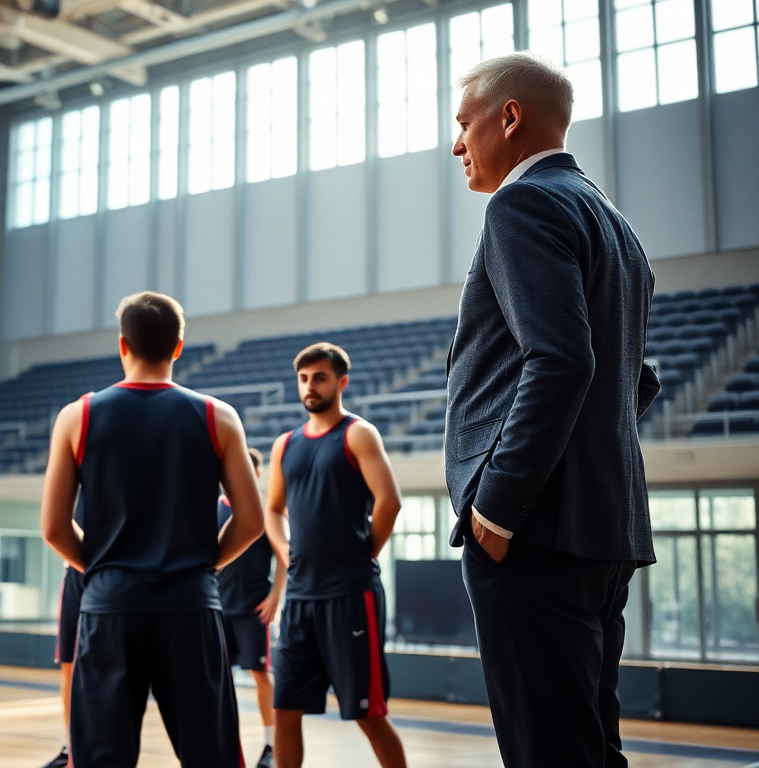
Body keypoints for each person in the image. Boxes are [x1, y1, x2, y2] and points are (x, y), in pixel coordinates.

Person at [448, 52, 659, 768]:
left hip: (534, 528)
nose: (456, 145)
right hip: (604, 524)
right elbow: (639, 379)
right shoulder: (616, 223)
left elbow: (565, 361)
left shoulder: (522, 202)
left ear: (509, 118)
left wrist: (497, 508)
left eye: (464, 123)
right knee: (591, 746)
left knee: (549, 753)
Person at [41, 291, 264, 768]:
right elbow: (251, 521)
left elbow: (55, 528)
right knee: (213, 757)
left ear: (123, 345)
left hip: (110, 606)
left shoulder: (76, 417)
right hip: (189, 604)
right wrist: (203, 567)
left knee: (101, 759)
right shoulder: (217, 416)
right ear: (179, 347)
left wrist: (102, 570)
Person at [263, 343, 406, 768]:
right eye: (304, 378)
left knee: (369, 715)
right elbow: (272, 509)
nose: (310, 385)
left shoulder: (357, 433)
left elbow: (390, 502)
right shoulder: (284, 444)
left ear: (341, 382)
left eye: (320, 377)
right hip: (301, 601)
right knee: (284, 712)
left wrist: (365, 552)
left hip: (350, 596)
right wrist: (285, 549)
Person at [216, 447, 283, 768]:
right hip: (217, 609)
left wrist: (275, 598)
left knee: (260, 674)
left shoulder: (265, 507)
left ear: (256, 474)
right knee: (217, 678)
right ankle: (224, 742)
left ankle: (270, 746)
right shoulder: (211, 510)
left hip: (254, 608)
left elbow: (285, 558)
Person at [40, 498, 84, 768]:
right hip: (77, 569)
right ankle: (69, 747)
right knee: (69, 665)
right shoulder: (83, 458)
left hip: (114, 568)